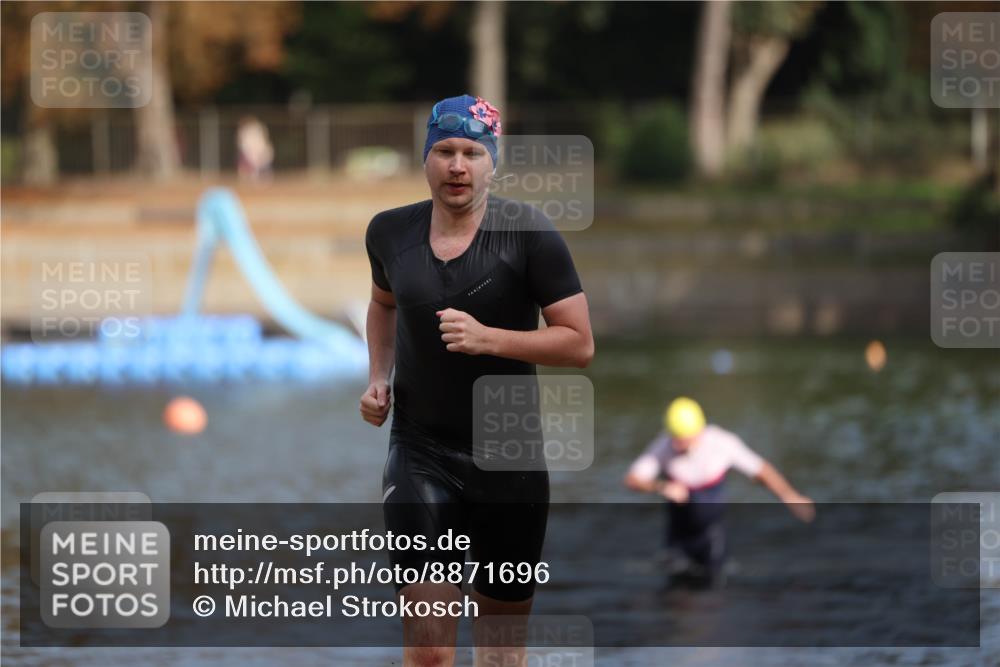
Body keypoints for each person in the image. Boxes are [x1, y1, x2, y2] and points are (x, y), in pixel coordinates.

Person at [360, 94, 594, 667]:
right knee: (431, 650)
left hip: (509, 460)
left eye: (471, 152)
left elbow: (579, 343)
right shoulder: (389, 233)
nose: (457, 165)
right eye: (444, 151)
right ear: (425, 159)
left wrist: (492, 338)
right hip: (421, 451)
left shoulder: (529, 235)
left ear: (493, 162)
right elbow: (382, 305)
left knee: (499, 654)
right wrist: (377, 378)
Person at [624, 397, 814, 587]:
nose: (678, 445)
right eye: (675, 438)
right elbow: (632, 480)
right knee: (675, 590)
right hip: (678, 536)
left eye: (684, 439)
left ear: (698, 431)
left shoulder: (721, 443)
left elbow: (761, 471)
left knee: (713, 588)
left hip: (711, 535)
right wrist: (662, 487)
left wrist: (790, 496)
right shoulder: (664, 445)